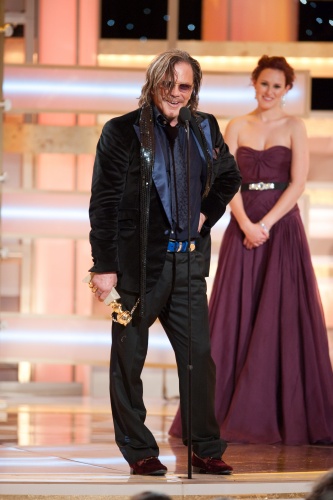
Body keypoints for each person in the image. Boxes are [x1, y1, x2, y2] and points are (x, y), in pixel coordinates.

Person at [87, 49, 241, 475]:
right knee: (128, 360)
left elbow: (229, 176)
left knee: (199, 358)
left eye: (185, 85)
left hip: (188, 265)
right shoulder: (122, 131)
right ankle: (139, 451)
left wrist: (207, 212)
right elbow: (104, 203)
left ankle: (205, 447)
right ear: (154, 82)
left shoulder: (205, 128)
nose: (176, 92)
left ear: (194, 90)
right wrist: (104, 266)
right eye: (168, 83)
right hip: (138, 267)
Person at [169, 55, 333, 445]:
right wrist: (244, 224)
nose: (270, 91)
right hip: (242, 226)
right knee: (233, 316)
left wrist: (266, 225)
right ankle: (219, 413)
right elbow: (225, 181)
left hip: (281, 227)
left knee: (282, 315)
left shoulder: (295, 126)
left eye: (277, 86)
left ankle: (280, 410)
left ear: (287, 89)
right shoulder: (236, 125)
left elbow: (298, 184)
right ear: (254, 83)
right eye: (264, 84)